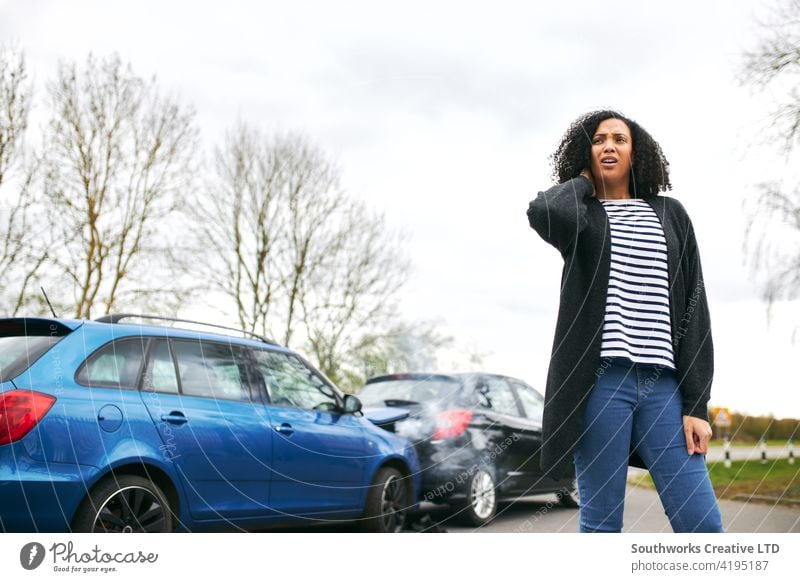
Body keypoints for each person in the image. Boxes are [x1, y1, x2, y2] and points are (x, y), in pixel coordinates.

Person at [526, 110, 724, 533]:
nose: (609, 146)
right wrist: (584, 182)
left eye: (620, 139)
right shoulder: (583, 217)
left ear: (638, 153)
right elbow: (543, 210)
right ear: (587, 152)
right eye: (598, 140)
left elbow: (695, 304)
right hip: (600, 385)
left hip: (664, 390)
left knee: (702, 524)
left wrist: (697, 404)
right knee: (601, 524)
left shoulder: (671, 214)